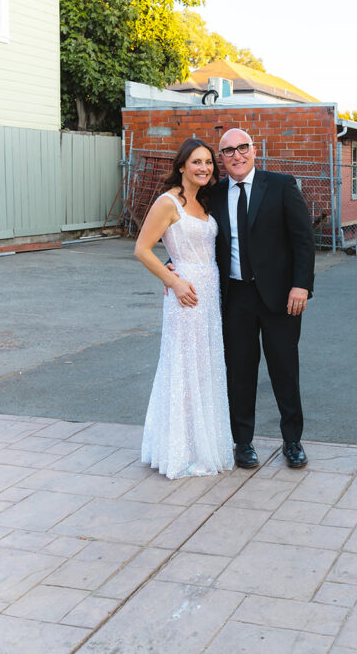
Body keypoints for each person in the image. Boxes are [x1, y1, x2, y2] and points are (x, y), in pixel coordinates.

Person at [211, 128, 315, 470]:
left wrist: (301, 285)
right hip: (235, 296)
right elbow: (200, 236)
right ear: (221, 158)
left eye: (243, 148)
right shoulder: (213, 195)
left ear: (254, 150)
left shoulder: (281, 185)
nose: (237, 155)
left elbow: (303, 239)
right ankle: (243, 442)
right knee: (239, 372)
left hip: (281, 298)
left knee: (285, 370)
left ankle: (293, 441)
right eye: (228, 151)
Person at [134, 138, 234, 479]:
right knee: (184, 367)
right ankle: (181, 449)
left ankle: (202, 442)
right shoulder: (168, 202)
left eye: (208, 162)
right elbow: (142, 249)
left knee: (205, 366)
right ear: (181, 166)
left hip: (209, 293)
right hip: (185, 294)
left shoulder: (204, 201)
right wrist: (173, 280)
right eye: (196, 162)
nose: (204, 167)